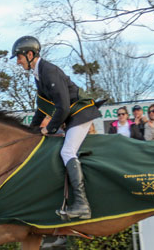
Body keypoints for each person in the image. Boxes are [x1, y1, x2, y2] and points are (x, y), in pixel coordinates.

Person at [12, 36, 102, 220]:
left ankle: (82, 204)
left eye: (19, 57)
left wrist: (49, 129)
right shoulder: (39, 74)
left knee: (67, 152)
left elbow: (63, 107)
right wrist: (30, 131)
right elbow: (41, 108)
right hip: (73, 116)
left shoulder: (49, 71)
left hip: (81, 114)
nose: (18, 62)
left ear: (30, 54)